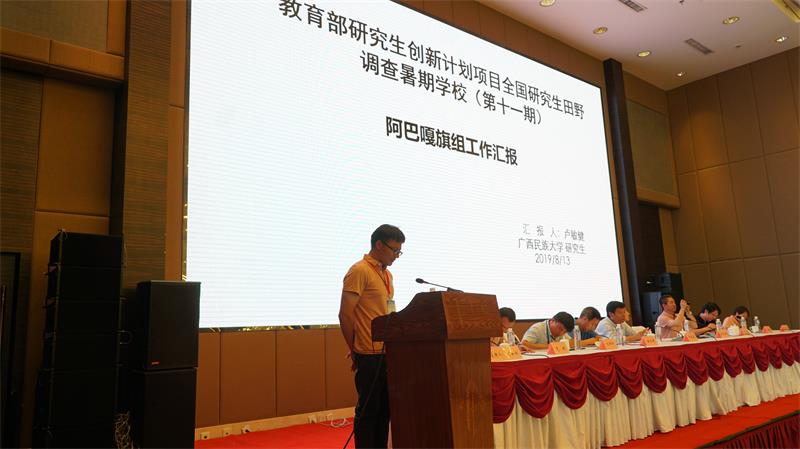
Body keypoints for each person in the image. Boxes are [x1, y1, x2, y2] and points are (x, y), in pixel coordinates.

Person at [339, 224, 404, 449]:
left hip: (387, 351)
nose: (396, 256)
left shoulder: (387, 274)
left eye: (399, 252)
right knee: (369, 411)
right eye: (394, 250)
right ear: (378, 244)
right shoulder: (359, 270)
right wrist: (354, 349)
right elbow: (345, 314)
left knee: (384, 411)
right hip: (367, 352)